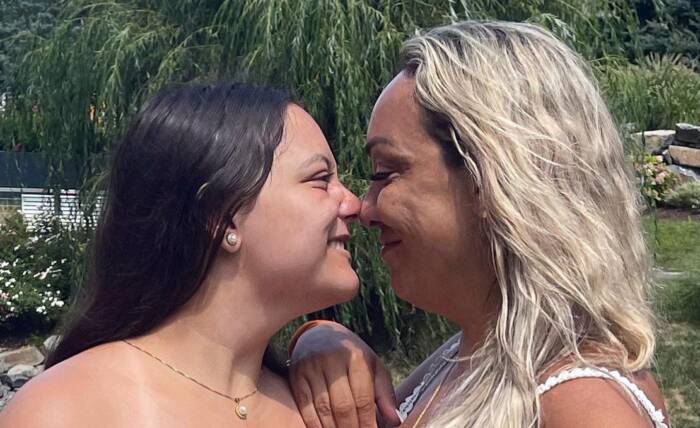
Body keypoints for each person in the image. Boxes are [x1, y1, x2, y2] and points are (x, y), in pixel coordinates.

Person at [288, 21, 669, 428]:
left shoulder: (584, 407)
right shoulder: (473, 355)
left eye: (386, 171)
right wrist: (320, 340)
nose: (365, 208)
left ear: (490, 179)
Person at [0, 83, 362, 427]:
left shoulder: (331, 406)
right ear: (221, 217)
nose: (353, 204)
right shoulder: (66, 412)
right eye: (320, 179)